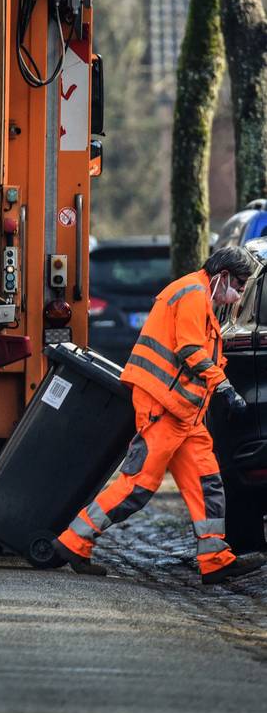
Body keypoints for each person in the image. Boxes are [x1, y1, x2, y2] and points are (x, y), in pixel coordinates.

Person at [54, 246, 265, 585]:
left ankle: (215, 560)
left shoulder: (198, 295)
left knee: (207, 483)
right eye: (239, 285)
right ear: (223, 276)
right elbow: (190, 349)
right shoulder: (193, 293)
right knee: (138, 485)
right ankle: (73, 542)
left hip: (184, 414)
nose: (239, 294)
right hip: (163, 409)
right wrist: (224, 387)